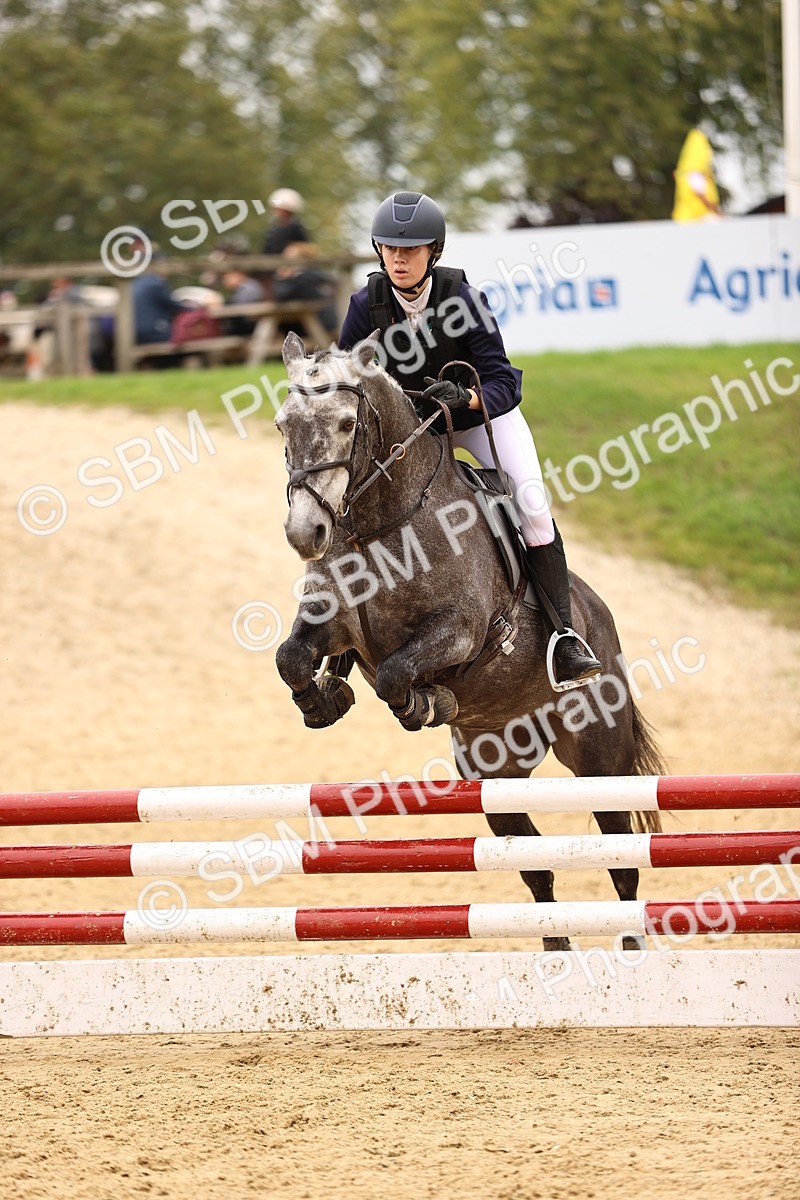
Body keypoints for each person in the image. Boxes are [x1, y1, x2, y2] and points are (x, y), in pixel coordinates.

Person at [338, 191, 602, 690]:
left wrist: (467, 400)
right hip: (411, 431)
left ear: (433, 251)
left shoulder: (462, 299)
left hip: (478, 420)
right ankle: (343, 640)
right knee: (349, 502)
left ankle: (564, 638)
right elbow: (345, 379)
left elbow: (504, 381)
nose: (399, 258)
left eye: (410, 249)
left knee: (530, 501)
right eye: (390, 248)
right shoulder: (365, 306)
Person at [672, 129, 722, 223]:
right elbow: (701, 195)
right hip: (696, 218)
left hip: (685, 217)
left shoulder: (686, 174)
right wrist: (715, 210)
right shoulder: (695, 175)